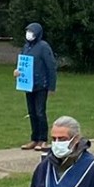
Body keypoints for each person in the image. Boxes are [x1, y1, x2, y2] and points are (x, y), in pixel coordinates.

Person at [19, 23, 58, 151]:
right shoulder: (26, 47)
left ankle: (43, 139)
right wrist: (17, 72)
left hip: (41, 85)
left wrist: (51, 86)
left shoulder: (43, 47)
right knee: (32, 112)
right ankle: (34, 138)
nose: (29, 34)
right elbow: (22, 63)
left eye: (31, 31)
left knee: (40, 112)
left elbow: (50, 66)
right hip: (28, 85)